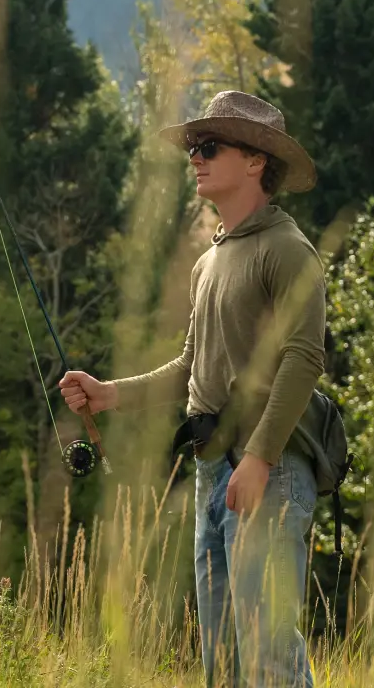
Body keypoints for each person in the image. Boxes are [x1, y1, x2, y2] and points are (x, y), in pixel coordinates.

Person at [59, 90, 326, 688]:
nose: (195, 158)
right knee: (224, 668)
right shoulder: (211, 261)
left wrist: (258, 458)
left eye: (208, 147)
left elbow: (305, 358)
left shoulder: (286, 249)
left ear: (256, 161)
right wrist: (108, 395)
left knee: (268, 664)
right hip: (211, 473)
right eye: (192, 149)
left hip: (267, 473)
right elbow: (191, 366)